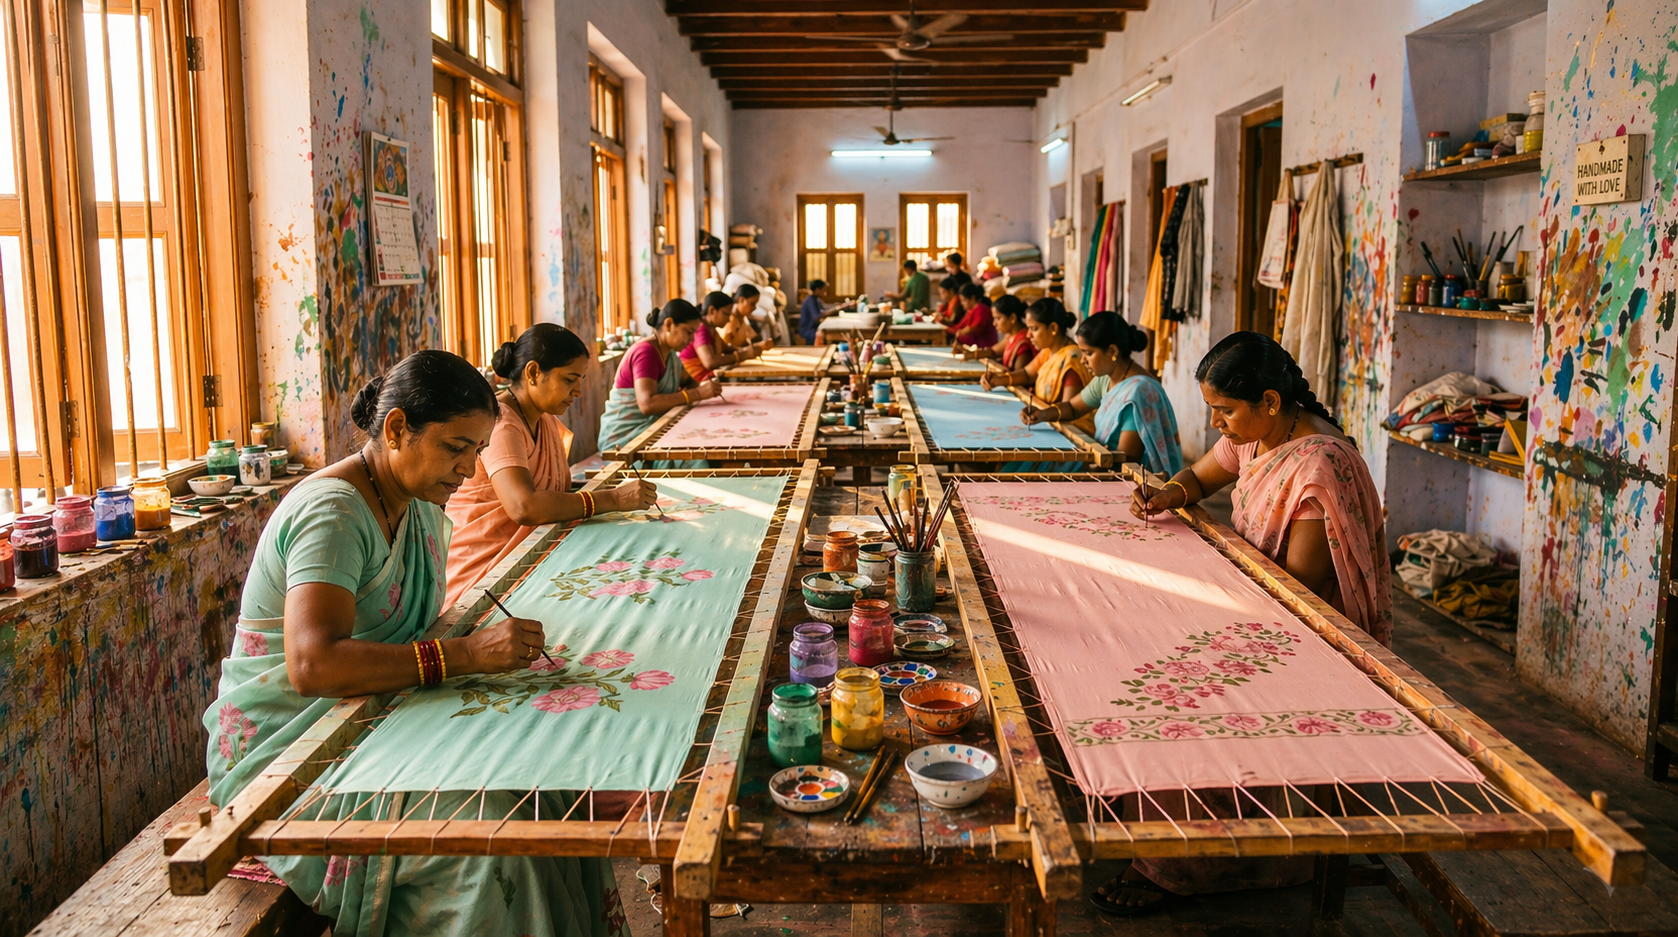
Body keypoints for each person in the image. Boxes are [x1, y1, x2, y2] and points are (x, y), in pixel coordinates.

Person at [202, 350, 627, 936]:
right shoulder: (333, 513)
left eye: (478, 451)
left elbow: (414, 627)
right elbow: (312, 665)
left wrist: (471, 648)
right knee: (490, 842)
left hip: (373, 717)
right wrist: (467, 655)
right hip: (295, 749)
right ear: (398, 428)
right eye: (457, 448)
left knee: (545, 787)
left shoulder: (419, 503)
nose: (470, 469)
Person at [1100, 331, 1392, 916]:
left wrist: (1216, 586)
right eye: (1213, 412)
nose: (1217, 426)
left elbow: (1299, 591)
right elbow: (1202, 477)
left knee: (1174, 693)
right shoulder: (1259, 439)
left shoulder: (1319, 468)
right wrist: (1167, 494)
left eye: (1225, 411)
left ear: (1271, 402)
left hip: (1305, 632)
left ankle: (1196, 861)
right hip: (1257, 599)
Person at [444, 324, 660, 608]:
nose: (578, 391)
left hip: (532, 553)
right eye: (570, 379)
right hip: (489, 575)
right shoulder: (501, 424)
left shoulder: (543, 419)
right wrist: (614, 499)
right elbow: (524, 506)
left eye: (580, 380)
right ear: (533, 373)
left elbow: (554, 490)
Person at [1021, 311, 1182, 475]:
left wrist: (1097, 465)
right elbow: (1073, 407)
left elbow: (1126, 460)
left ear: (1112, 351)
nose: (1083, 360)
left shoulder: (1138, 394)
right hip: (1106, 463)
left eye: (1088, 353)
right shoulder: (1106, 379)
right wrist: (1042, 414)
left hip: (1132, 479)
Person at [596, 299, 721, 464]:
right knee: (694, 459)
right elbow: (647, 404)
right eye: (688, 332)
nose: (691, 340)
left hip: (653, 427)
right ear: (669, 324)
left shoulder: (669, 356)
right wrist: (697, 394)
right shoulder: (645, 353)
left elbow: (690, 383)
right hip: (626, 440)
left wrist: (698, 390)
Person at [980, 297, 1095, 435]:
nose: (1028, 335)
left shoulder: (1071, 359)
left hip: (1070, 433)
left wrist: (1042, 414)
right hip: (1047, 422)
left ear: (1053, 328)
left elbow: (1069, 411)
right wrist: (997, 380)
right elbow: (1027, 374)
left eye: (1034, 329)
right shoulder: (1048, 351)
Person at [685, 291, 773, 380]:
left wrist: (755, 348)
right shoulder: (701, 329)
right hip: (696, 385)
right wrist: (743, 355)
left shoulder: (711, 329)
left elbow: (727, 349)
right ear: (712, 311)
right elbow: (709, 362)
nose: (728, 319)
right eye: (726, 314)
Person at [955, 295, 1035, 369]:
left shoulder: (1023, 343)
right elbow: (993, 352)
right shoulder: (1011, 336)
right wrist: (968, 353)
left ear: (1012, 318)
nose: (994, 323)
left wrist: (992, 364)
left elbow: (1018, 377)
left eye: (998, 318)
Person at [797, 279, 857, 344]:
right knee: (827, 335)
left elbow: (825, 309)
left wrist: (840, 306)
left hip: (813, 328)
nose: (824, 292)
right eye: (823, 290)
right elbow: (817, 317)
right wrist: (835, 309)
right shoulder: (810, 300)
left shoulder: (816, 299)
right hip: (808, 330)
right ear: (817, 289)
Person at [947, 281, 999, 347]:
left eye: (964, 300)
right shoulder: (970, 311)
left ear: (972, 298)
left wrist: (963, 331)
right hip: (974, 344)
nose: (962, 304)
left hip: (984, 347)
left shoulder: (981, 309)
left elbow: (976, 328)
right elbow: (959, 327)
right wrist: (944, 325)